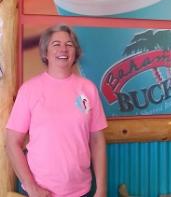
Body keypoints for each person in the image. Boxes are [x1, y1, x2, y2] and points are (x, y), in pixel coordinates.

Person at [5, 24, 108, 197]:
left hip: (82, 190)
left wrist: (102, 189)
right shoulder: (29, 90)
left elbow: (97, 141)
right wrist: (31, 187)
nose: (63, 49)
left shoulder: (87, 89)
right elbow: (12, 142)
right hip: (41, 192)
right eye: (56, 44)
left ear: (75, 52)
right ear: (45, 53)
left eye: (69, 44)